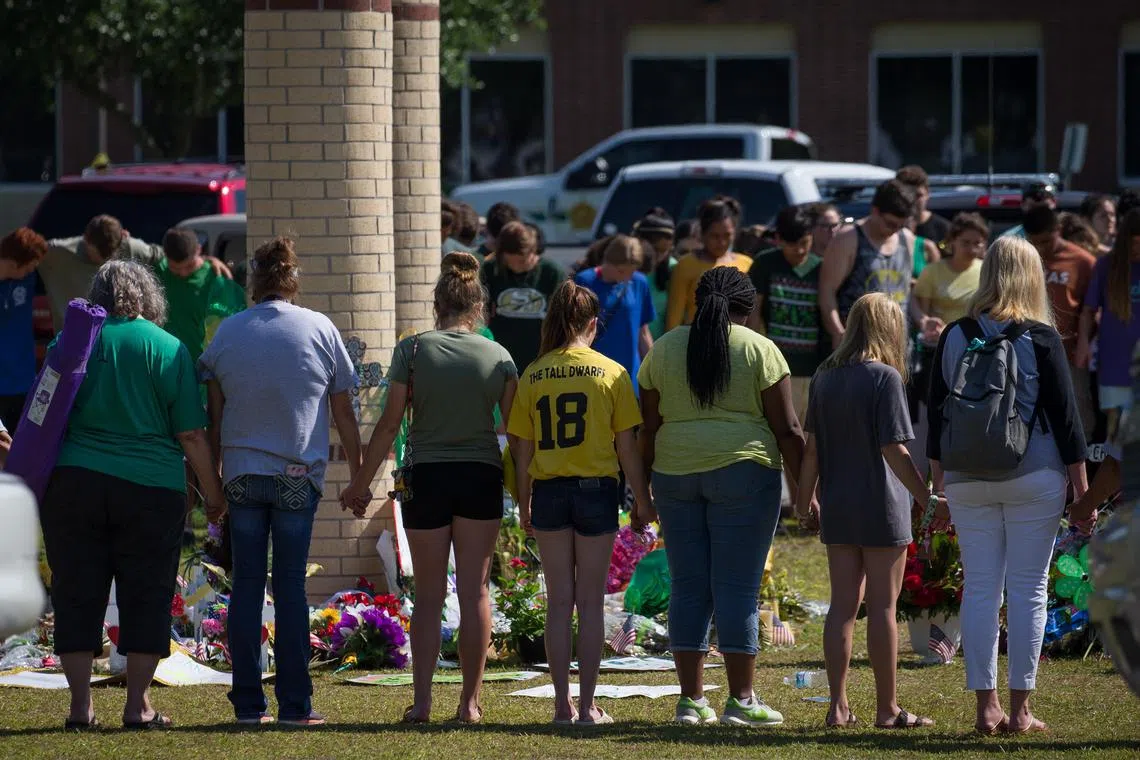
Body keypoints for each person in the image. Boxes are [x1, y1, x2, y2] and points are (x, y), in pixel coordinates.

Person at [41, 260, 224, 730]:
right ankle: (137, 706)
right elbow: (191, 434)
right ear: (146, 297)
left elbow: (42, 415)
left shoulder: (70, 342)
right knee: (147, 592)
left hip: (75, 482)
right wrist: (212, 492)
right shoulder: (168, 348)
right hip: (150, 487)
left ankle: (81, 706)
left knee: (76, 591)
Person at [340, 252, 517, 724]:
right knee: (476, 593)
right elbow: (517, 435)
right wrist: (529, 494)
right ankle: (470, 703)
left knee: (429, 593)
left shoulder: (413, 350)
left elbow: (388, 426)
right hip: (480, 474)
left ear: (436, 304)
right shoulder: (499, 356)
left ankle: (421, 702)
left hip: (426, 478)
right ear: (477, 308)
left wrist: (360, 483)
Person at [198, 238, 363, 727]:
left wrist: (212, 482)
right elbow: (344, 412)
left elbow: (214, 418)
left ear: (254, 281)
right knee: (290, 587)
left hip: (243, 473)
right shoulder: (320, 328)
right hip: (297, 475)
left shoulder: (228, 332)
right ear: (293, 279)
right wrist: (358, 475)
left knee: (246, 585)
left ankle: (248, 705)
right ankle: (296, 706)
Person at [927, 237, 1089, 735]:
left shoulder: (956, 333)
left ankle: (985, 708)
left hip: (966, 478)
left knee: (979, 588)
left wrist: (939, 490)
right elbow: (1066, 419)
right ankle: (1019, 711)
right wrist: (1082, 493)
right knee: (1028, 589)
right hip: (1033, 473)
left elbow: (936, 416)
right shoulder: (1039, 336)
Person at [639, 267, 805, 728]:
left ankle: (691, 701)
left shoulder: (665, 348)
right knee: (737, 588)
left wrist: (642, 491)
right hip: (744, 475)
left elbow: (648, 429)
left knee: (689, 585)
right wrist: (809, 490)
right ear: (747, 310)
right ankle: (742, 700)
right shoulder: (759, 349)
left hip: (673, 474)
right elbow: (788, 430)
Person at [797, 292, 947, 729]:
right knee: (883, 606)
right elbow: (895, 450)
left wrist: (806, 501)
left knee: (841, 607)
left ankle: (837, 705)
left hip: (839, 503)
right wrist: (928, 499)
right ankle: (888, 709)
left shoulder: (825, 377)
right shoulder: (886, 377)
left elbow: (811, 452)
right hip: (883, 505)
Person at [508, 280, 651, 727]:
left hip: (549, 491)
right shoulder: (611, 372)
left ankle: (560, 706)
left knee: (558, 603)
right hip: (596, 491)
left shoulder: (534, 372)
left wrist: (524, 502)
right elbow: (627, 448)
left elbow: (522, 450)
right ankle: (587, 707)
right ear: (593, 324)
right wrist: (643, 502)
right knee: (590, 603)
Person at [39, 215, 231, 334]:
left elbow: (174, 256)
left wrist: (205, 261)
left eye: (110, 256)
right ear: (86, 239)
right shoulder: (57, 253)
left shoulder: (131, 248)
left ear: (123, 237)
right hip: (74, 346)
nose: (103, 262)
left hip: (116, 345)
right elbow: (21, 253)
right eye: (98, 256)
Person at [907, 213, 989, 473]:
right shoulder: (934, 271)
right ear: (951, 242)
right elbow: (919, 308)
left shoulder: (986, 272)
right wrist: (926, 323)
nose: (973, 249)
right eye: (966, 242)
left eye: (978, 243)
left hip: (980, 354)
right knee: (939, 414)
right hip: (941, 353)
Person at [820, 179, 938, 350]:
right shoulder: (848, 239)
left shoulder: (907, 239)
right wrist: (838, 332)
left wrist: (922, 320)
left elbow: (905, 292)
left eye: (900, 225)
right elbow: (827, 292)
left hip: (898, 348)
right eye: (890, 223)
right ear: (875, 211)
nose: (895, 229)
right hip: (858, 347)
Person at [1024, 205, 1097, 440]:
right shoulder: (1026, 258)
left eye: (1046, 241)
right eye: (1035, 242)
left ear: (1058, 229)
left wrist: (1085, 343)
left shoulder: (1082, 261)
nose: (1041, 248)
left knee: (1078, 412)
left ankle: (1080, 465)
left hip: (1069, 352)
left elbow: (1093, 308)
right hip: (1029, 350)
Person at [748, 205, 824, 422]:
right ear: (778, 239)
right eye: (792, 245)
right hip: (776, 370)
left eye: (804, 243)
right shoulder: (765, 263)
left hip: (812, 369)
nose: (799, 251)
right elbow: (754, 313)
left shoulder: (822, 267)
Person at [1077, 209, 1140, 443]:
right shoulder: (1106, 266)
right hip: (1114, 369)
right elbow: (1088, 311)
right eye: (1133, 243)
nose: (1136, 249)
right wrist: (1083, 343)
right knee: (1116, 440)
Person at [480, 221, 566, 373]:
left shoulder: (552, 272)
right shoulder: (491, 270)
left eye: (532, 255)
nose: (529, 262)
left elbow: (564, 318)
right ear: (504, 255)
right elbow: (480, 312)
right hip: (502, 358)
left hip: (541, 358)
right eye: (520, 260)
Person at [156, 228, 246, 369]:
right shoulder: (159, 272)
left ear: (199, 250)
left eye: (189, 266)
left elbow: (233, 331)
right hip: (167, 369)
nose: (183, 273)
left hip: (203, 373)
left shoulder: (217, 280)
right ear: (165, 257)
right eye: (176, 269)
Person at [573, 235, 655, 389]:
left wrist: (654, 367)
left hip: (629, 374)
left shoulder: (639, 282)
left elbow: (643, 332)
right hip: (592, 374)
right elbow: (575, 331)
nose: (628, 277)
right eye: (623, 271)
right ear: (607, 262)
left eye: (633, 271)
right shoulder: (584, 281)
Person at [665, 196, 753, 331]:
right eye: (715, 236)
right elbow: (674, 320)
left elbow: (753, 317)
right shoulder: (686, 265)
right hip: (697, 343)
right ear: (703, 234)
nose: (722, 242)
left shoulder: (746, 264)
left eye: (727, 235)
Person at [0, 228, 48, 430]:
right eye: (29, 268)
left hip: (23, 380)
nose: (32, 272)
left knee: (21, 442)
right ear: (12, 263)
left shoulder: (26, 280)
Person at [635, 208, 679, 339]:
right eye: (654, 249)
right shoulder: (625, 270)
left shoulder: (674, 269)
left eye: (664, 250)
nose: (658, 256)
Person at [896, 165, 951, 247]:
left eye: (918, 195)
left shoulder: (944, 229)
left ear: (927, 193)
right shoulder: (889, 227)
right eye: (907, 195)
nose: (912, 201)